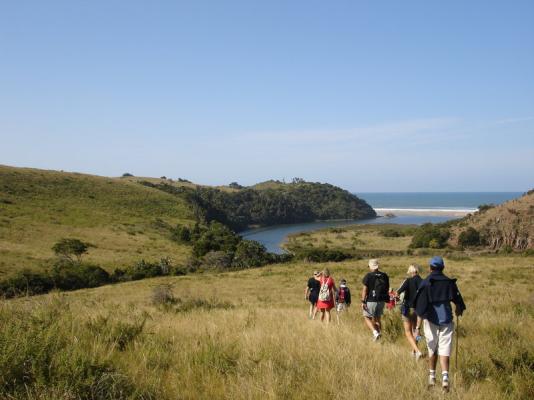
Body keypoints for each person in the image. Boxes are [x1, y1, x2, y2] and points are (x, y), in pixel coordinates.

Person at [414, 256, 466, 392]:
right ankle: (445, 379)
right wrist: (458, 308)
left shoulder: (426, 283)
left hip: (430, 320)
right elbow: (459, 302)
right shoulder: (449, 282)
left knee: (432, 349)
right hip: (447, 320)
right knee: (445, 350)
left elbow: (420, 308)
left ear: (430, 268)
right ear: (443, 268)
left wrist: (417, 328)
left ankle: (431, 377)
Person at [396, 264, 423, 359]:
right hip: (419, 310)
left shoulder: (408, 281)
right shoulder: (423, 281)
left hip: (407, 308)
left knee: (408, 332)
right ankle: (414, 351)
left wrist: (396, 297)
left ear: (410, 271)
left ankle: (418, 351)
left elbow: (397, 292)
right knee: (416, 331)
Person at [361, 259, 390, 341]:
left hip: (371, 300)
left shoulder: (368, 275)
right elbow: (387, 288)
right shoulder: (384, 275)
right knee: (377, 319)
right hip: (381, 301)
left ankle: (375, 333)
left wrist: (363, 301)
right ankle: (379, 335)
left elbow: (364, 290)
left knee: (366, 317)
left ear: (371, 266)